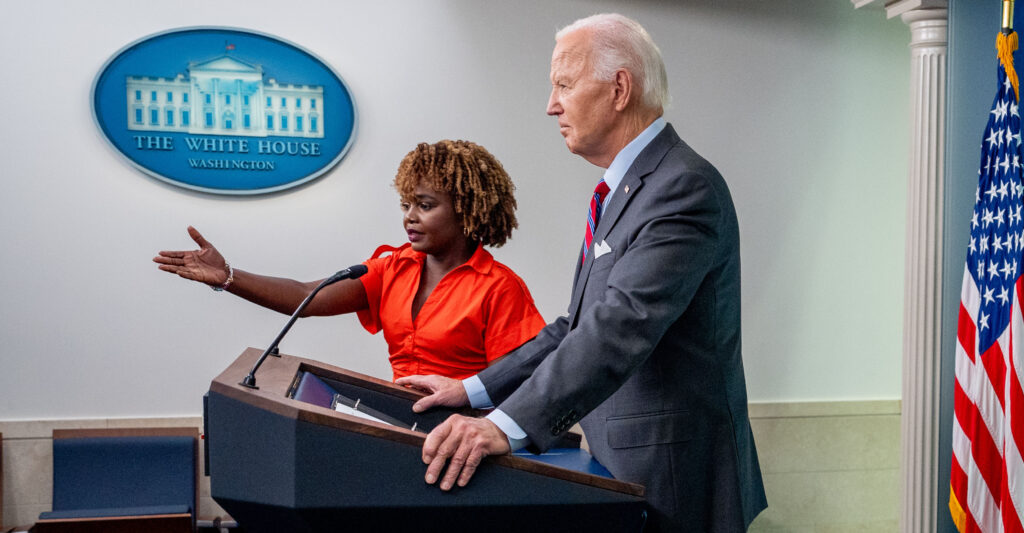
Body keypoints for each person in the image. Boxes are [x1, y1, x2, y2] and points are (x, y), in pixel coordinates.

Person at [395, 14, 767, 532]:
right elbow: (578, 324)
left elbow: (621, 325)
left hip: (675, 477)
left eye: (564, 85)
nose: (551, 105)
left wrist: (504, 427)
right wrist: (474, 390)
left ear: (619, 89)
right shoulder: (627, 189)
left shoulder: (683, 186)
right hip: (627, 467)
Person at [154, 140, 546, 381]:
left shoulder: (498, 287)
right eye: (406, 204)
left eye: (425, 206)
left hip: (465, 442)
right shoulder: (392, 266)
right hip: (402, 430)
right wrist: (228, 276)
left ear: (467, 211)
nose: (409, 216)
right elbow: (308, 296)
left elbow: (517, 384)